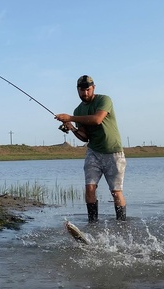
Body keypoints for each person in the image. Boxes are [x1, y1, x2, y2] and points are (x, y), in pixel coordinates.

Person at [55, 75, 126, 222]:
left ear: (93, 88)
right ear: (77, 90)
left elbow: (97, 119)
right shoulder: (78, 110)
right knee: (90, 188)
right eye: (82, 90)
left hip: (114, 152)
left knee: (115, 191)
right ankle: (92, 224)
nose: (85, 93)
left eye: (88, 90)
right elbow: (85, 138)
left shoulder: (104, 100)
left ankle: (122, 224)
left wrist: (70, 118)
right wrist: (72, 128)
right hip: (93, 152)